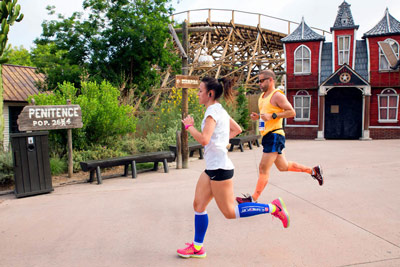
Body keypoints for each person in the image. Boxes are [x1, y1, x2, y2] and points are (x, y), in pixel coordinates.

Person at [177, 76, 290, 259]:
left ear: (210, 93)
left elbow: (205, 140)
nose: (198, 94)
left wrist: (189, 127)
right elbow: (236, 129)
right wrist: (220, 143)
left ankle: (274, 208)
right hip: (213, 167)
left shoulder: (212, 113)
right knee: (198, 205)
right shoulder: (219, 110)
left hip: (220, 169)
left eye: (200, 91)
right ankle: (198, 247)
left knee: (230, 212)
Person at [236, 70, 323, 204]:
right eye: (258, 81)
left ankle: (253, 199)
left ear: (270, 80)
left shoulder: (277, 95)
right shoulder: (262, 97)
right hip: (267, 136)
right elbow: (268, 115)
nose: (259, 83)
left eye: (261, 80)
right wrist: (258, 117)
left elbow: (291, 112)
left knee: (262, 168)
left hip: (275, 135)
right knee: (283, 167)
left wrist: (274, 116)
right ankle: (313, 171)